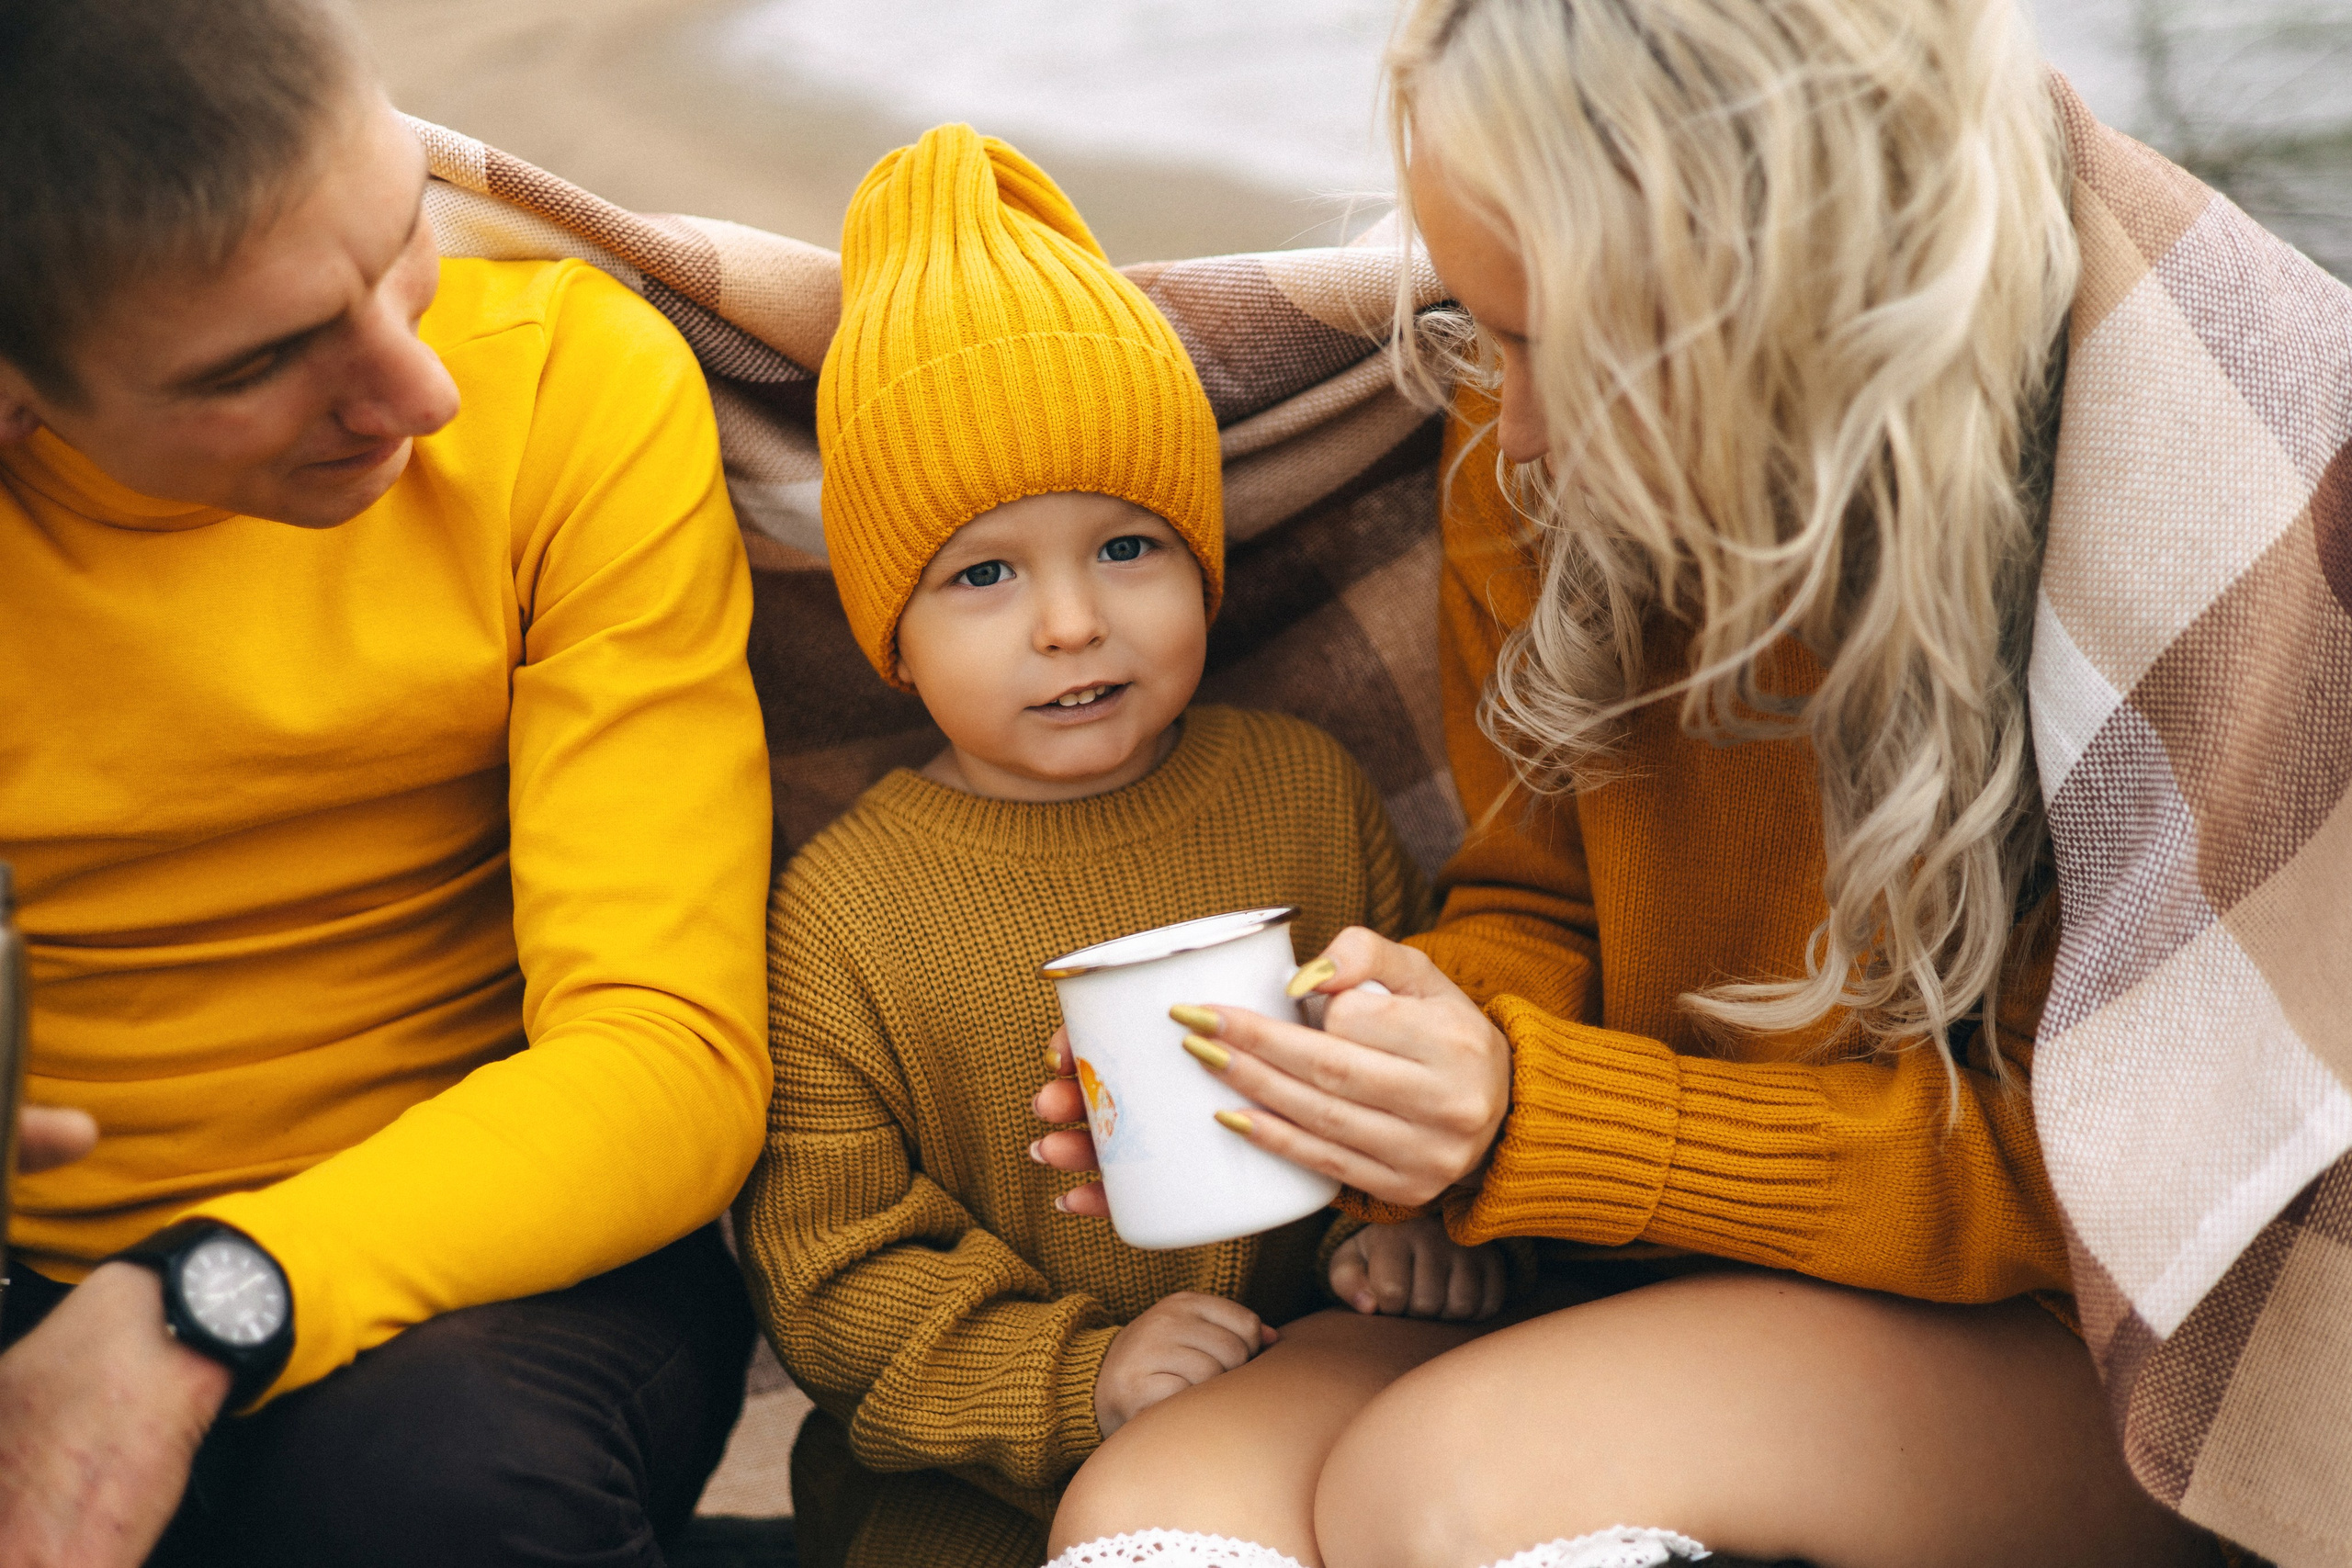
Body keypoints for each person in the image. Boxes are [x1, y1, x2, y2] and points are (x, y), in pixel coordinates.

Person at [1030, 1, 2236, 1565]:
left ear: (1770, 298)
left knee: (1449, 1492)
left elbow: (2098, 1183)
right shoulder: (1527, 451)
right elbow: (1539, 895)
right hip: (1631, 1260)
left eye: (1554, 345)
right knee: (1157, 1506)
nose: (1505, 424)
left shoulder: (2167, 495)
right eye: (1481, 326)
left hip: (2073, 1345)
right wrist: (1365, 1066)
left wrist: (1537, 1118)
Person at [0, 2, 772, 1562]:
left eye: (402, 227)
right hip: (34, 1238)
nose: (417, 394)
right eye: (266, 360)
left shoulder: (565, 381)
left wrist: (204, 1301)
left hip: (513, 1244)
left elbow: (669, 1054)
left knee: (436, 1491)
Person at [730, 124, 1507, 1568]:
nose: (1071, 623)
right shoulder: (839, 911)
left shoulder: (1304, 791)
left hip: (1330, 1441)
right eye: (982, 575)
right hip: (966, 1513)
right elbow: (833, 1281)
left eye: (1128, 548)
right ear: (884, 627)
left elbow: (1409, 1037)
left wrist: (1415, 1226)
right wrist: (1081, 1376)